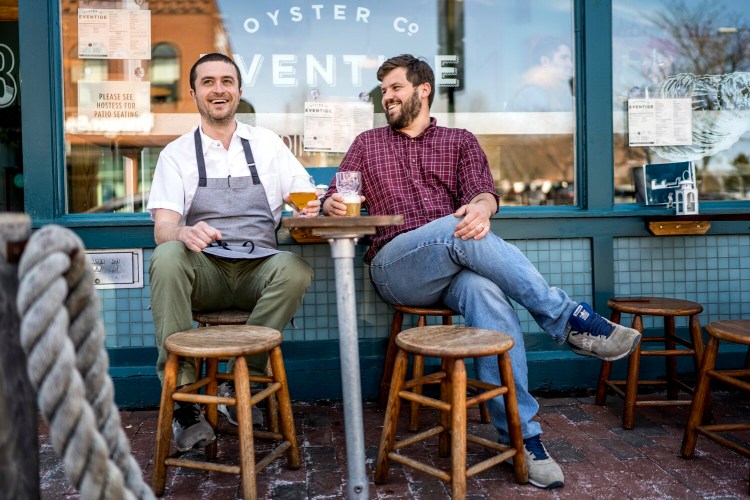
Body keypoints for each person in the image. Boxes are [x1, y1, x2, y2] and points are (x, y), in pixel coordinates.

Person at [322, 54, 641, 490]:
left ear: (423, 90)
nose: (387, 97)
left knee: (488, 292)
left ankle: (522, 436)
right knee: (456, 232)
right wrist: (329, 204)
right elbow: (334, 195)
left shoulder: (460, 141)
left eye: (394, 88)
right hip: (395, 267)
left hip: (454, 272)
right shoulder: (367, 143)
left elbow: (483, 195)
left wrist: (481, 209)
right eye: (383, 90)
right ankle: (567, 318)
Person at [147, 53, 319, 452]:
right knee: (167, 256)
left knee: (294, 268)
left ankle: (243, 377)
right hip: (205, 272)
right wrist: (184, 231)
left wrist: (309, 206)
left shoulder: (268, 144)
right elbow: (162, 229)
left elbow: (304, 194)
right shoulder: (176, 154)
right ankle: (184, 400)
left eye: (227, 81)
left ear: (239, 92)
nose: (218, 88)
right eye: (208, 82)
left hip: (258, 272)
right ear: (194, 93)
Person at [507, 37, 574, 112]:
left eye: (570, 59)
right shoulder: (534, 92)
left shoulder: (556, 90)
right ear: (545, 61)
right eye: (563, 58)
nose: (570, 65)